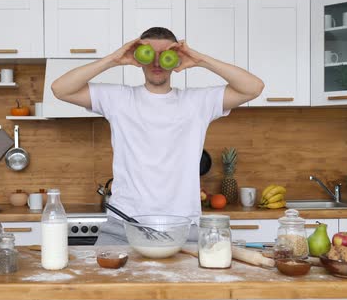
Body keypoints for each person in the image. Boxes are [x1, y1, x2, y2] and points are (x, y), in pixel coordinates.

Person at [51, 27, 264, 245]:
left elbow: (253, 88)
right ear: (139, 58)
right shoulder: (118, 99)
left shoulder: (197, 103)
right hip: (124, 224)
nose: (157, 62)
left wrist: (200, 60)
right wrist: (113, 59)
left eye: (165, 55)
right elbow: (60, 89)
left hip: (183, 226)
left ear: (176, 58)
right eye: (150, 54)